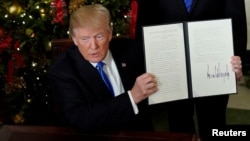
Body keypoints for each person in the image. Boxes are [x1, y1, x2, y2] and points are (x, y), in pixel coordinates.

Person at [135, 0, 247, 140]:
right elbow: (144, 22)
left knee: (213, 122)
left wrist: (238, 60)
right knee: (179, 125)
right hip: (171, 66)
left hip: (214, 66)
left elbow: (237, 22)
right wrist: (145, 64)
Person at [47, 4, 158, 132]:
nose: (93, 46)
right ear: (75, 39)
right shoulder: (61, 70)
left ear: (110, 34)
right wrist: (132, 97)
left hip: (138, 132)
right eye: (85, 39)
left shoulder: (133, 49)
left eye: (99, 36)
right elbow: (80, 117)